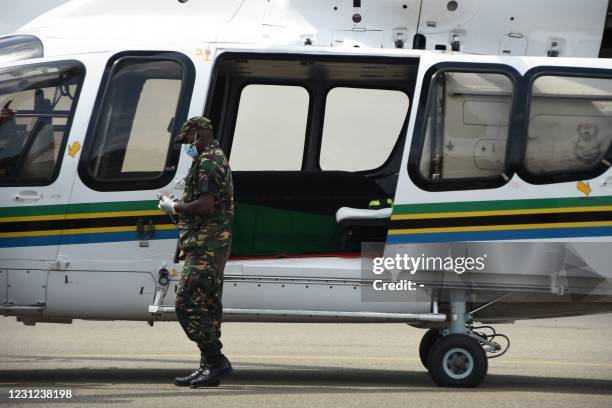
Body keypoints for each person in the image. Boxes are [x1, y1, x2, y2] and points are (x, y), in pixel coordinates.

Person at [158, 116, 234, 388]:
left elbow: (205, 205)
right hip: (205, 244)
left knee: (186, 303)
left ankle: (215, 361)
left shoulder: (208, 162)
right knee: (207, 307)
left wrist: (174, 206)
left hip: (207, 245)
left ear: (198, 135)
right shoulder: (210, 158)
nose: (185, 146)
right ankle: (208, 368)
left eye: (187, 140)